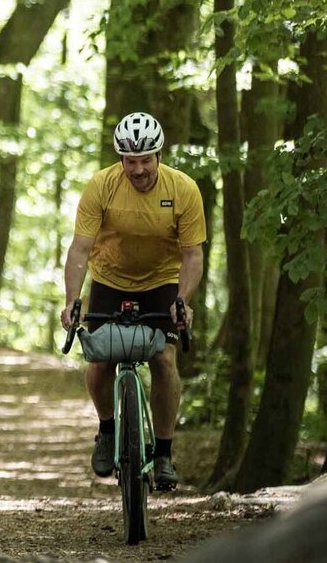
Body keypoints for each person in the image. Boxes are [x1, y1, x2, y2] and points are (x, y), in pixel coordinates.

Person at [59, 112, 205, 489]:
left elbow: (192, 255)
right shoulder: (101, 186)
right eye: (129, 161)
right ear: (120, 158)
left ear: (158, 155)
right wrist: (73, 300)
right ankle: (107, 430)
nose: (138, 169)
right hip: (109, 279)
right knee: (101, 357)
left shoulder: (184, 190)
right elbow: (79, 249)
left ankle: (164, 453)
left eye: (145, 160)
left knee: (164, 358)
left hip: (161, 282)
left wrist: (183, 301)